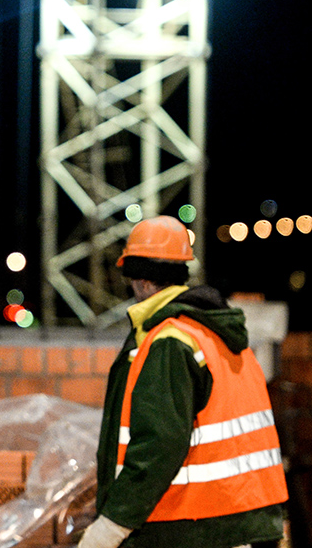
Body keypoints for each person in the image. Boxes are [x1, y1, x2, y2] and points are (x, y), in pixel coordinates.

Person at [81, 216, 287, 548]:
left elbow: (158, 445)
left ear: (144, 282)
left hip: (192, 528)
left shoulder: (170, 342)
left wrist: (112, 524)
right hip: (242, 520)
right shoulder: (216, 334)